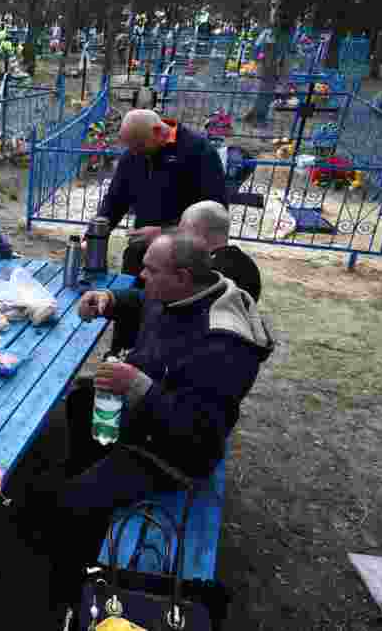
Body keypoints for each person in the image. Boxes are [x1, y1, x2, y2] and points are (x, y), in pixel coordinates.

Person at [40, 232, 273, 622]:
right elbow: (146, 302)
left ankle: (73, 594)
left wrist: (138, 387)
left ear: (182, 276)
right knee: (82, 401)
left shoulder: (223, 344)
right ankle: (84, 473)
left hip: (170, 454)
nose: (141, 276)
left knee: (74, 504)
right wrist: (111, 301)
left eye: (150, 270)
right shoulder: (184, 292)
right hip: (145, 421)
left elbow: (197, 429)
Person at [97, 108, 229, 352]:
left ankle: (151, 366)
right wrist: (93, 235)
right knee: (128, 311)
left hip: (181, 259)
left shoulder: (199, 152)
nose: (133, 152)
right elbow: (115, 200)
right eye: (130, 147)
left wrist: (164, 233)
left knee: (162, 317)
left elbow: (215, 209)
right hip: (140, 255)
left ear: (158, 132)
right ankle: (118, 356)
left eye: (138, 146)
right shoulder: (134, 154)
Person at [179, 200, 262, 302]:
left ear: (196, 230)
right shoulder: (248, 265)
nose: (180, 238)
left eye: (182, 231)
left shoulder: (207, 271)